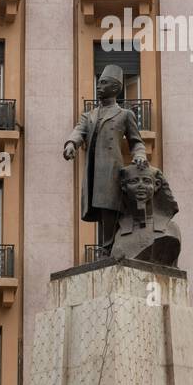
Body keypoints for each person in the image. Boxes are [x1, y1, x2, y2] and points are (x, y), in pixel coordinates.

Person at [62, 64, 148, 256]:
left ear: (116, 88)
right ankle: (109, 247)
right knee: (100, 209)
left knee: (109, 207)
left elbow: (136, 142)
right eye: (98, 83)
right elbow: (78, 131)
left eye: (103, 83)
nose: (98, 87)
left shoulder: (125, 114)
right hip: (93, 169)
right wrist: (71, 144)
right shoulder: (89, 115)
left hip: (111, 168)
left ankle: (108, 249)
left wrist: (140, 155)